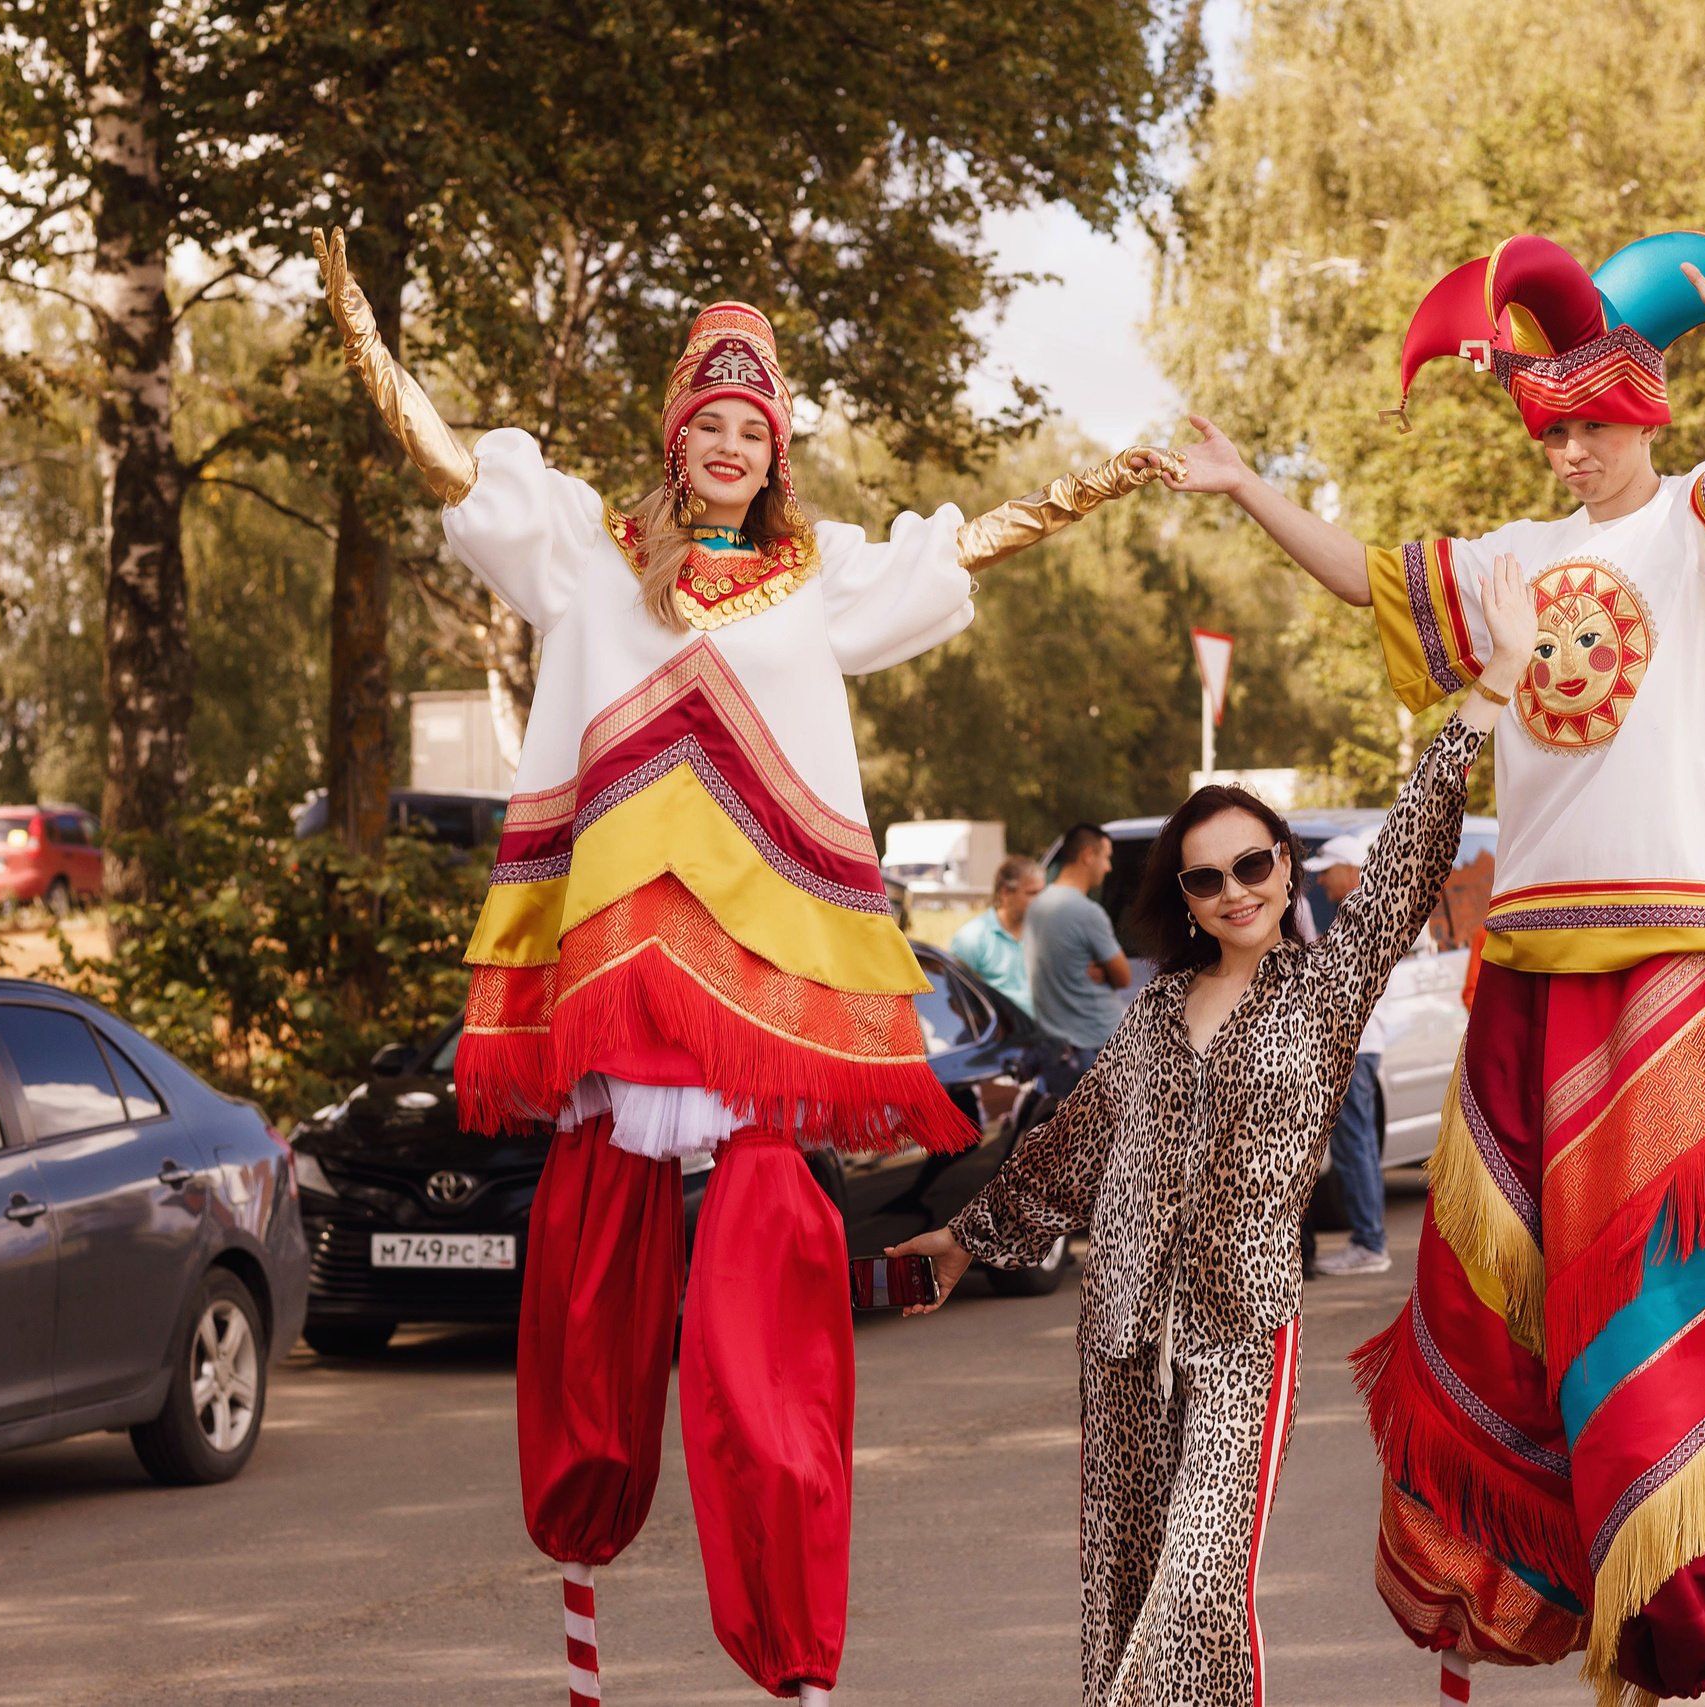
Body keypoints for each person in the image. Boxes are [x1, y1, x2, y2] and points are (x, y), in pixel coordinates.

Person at [315, 232, 1181, 1706]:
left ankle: (794, 1668)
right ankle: (584, 1628)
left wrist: (1107, 476)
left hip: (765, 1013)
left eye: (751, 429)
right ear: (677, 438)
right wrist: (360, 335)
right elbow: (459, 473)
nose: (726, 446)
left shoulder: (816, 581)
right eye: (706, 424)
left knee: (763, 1365)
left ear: (774, 453)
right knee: (588, 1338)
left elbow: (957, 549)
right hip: (622, 1001)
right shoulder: (593, 555)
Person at [1167, 206, 1705, 1707]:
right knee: (1497, 1305)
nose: (1572, 455)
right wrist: (1249, 485)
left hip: (1669, 967)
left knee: (1656, 1307)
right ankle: (1500, 1595)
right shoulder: (1515, 559)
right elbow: (1365, 578)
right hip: (1524, 973)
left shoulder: (1702, 526)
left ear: (1641, 418)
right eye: (1552, 436)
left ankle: (1694, 1638)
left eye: (1592, 429)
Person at [889, 558, 1535, 1707]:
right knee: (1123, 1585)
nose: (1234, 889)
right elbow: (1073, 1146)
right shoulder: (1146, 1013)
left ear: (1284, 866)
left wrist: (1482, 695)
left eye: (1251, 863)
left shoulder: (1324, 991)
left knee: (1198, 1586)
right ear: (1179, 899)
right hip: (1121, 1326)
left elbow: (1406, 854)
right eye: (1205, 879)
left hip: (1243, 1331)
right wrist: (959, 1241)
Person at [1306, 833, 1393, 1276]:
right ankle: (1368, 1241)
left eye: (1326, 872)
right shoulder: (1364, 911)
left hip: (1355, 1044)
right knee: (1356, 1144)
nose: (1320, 882)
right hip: (1361, 1043)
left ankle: (1368, 1244)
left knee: (1354, 1145)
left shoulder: (1361, 914)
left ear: (1350, 869)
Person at [1026, 824, 1133, 1087]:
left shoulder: (1036, 906)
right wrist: (1107, 969)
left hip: (1059, 1049)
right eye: (1106, 857)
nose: (1108, 867)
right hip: (1099, 1045)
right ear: (1088, 856)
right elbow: (1124, 977)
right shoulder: (1087, 912)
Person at [950, 854, 1044, 1011]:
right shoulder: (972, 938)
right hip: (1002, 1033)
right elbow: (957, 999)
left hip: (1045, 1031)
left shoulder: (1043, 933)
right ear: (1005, 893)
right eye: (1032, 893)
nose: (1041, 900)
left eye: (1042, 892)